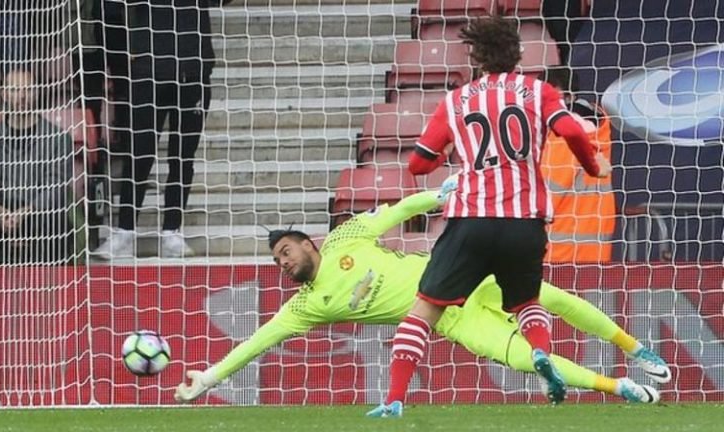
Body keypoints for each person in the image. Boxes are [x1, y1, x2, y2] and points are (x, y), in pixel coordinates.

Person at [173, 188, 669, 405]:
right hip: (444, 318)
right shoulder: (305, 307)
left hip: (460, 276)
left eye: (285, 252)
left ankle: (635, 348)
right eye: (278, 261)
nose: (283, 264)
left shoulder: (346, 237)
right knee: (518, 357)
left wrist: (444, 194)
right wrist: (209, 376)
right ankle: (616, 386)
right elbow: (256, 343)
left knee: (550, 298)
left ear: (308, 242)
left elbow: (399, 209)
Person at [370, 17, 613, 416]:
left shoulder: (457, 101)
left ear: (477, 56)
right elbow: (569, 130)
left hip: (471, 219)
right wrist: (591, 164)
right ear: (517, 54)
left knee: (424, 311)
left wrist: (443, 151)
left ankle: (394, 399)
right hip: (524, 220)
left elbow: (417, 165)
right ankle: (539, 353)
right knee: (526, 302)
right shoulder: (538, 91)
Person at [93, 0, 233, 259]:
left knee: (182, 156)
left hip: (193, 72)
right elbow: (110, 9)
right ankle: (125, 230)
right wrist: (122, 57)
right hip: (148, 71)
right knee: (139, 154)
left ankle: (172, 231)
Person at [0, 68, 73, 264]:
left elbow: (54, 185)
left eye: (28, 89)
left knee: (58, 222)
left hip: (38, 211)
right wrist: (0, 212)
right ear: (3, 94)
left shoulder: (58, 138)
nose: (22, 96)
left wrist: (25, 212)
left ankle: (49, 288)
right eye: (15, 90)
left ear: (37, 92)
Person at [540, 67, 617, 263]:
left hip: (557, 251)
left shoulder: (562, 135)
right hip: (595, 248)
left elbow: (549, 192)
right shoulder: (598, 129)